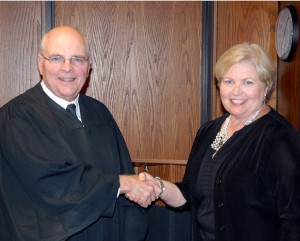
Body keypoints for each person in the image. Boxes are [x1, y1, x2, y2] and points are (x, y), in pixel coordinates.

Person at [0, 26, 161, 241]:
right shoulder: (17, 117)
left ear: (89, 66)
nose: (68, 68)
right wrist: (121, 184)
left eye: (78, 59)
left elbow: (125, 175)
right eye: (57, 58)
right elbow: (52, 184)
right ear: (41, 63)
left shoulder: (100, 113)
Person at [140, 43, 300, 241]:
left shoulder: (279, 138)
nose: (236, 91)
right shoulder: (208, 131)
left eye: (248, 82)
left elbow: (294, 220)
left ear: (265, 87)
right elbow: (189, 196)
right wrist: (158, 187)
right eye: (228, 81)